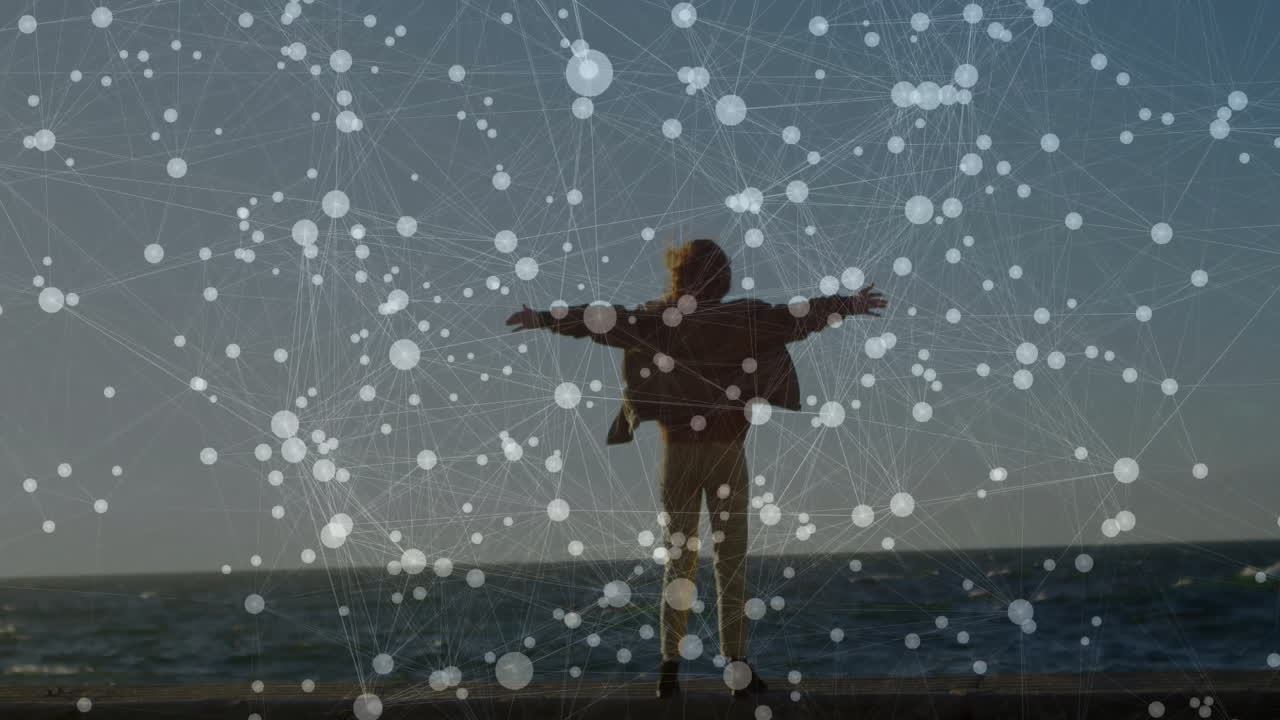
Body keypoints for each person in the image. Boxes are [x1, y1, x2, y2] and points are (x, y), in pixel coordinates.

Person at [505, 238, 886, 698]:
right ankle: (738, 669)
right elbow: (796, 317)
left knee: (679, 563)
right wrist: (850, 303)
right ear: (721, 277)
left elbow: (600, 320)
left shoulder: (658, 321)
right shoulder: (741, 319)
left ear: (678, 276)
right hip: (726, 452)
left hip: (679, 455)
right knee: (731, 563)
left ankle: (669, 669)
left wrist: (541, 318)